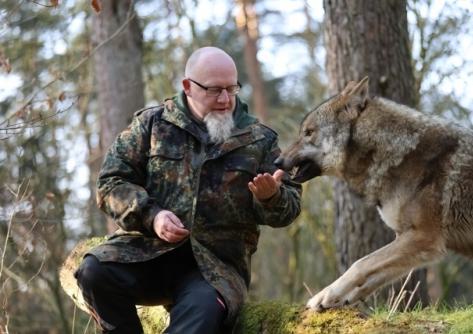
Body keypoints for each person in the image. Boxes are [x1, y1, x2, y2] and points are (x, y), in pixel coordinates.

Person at [75, 46, 302, 334]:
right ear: (188, 87)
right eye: (214, 90)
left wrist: (271, 197)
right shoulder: (152, 124)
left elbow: (289, 207)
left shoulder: (260, 140)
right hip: (147, 253)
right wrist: (152, 216)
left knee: (201, 315)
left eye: (232, 89)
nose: (225, 99)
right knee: (94, 271)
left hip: (215, 270)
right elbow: (110, 184)